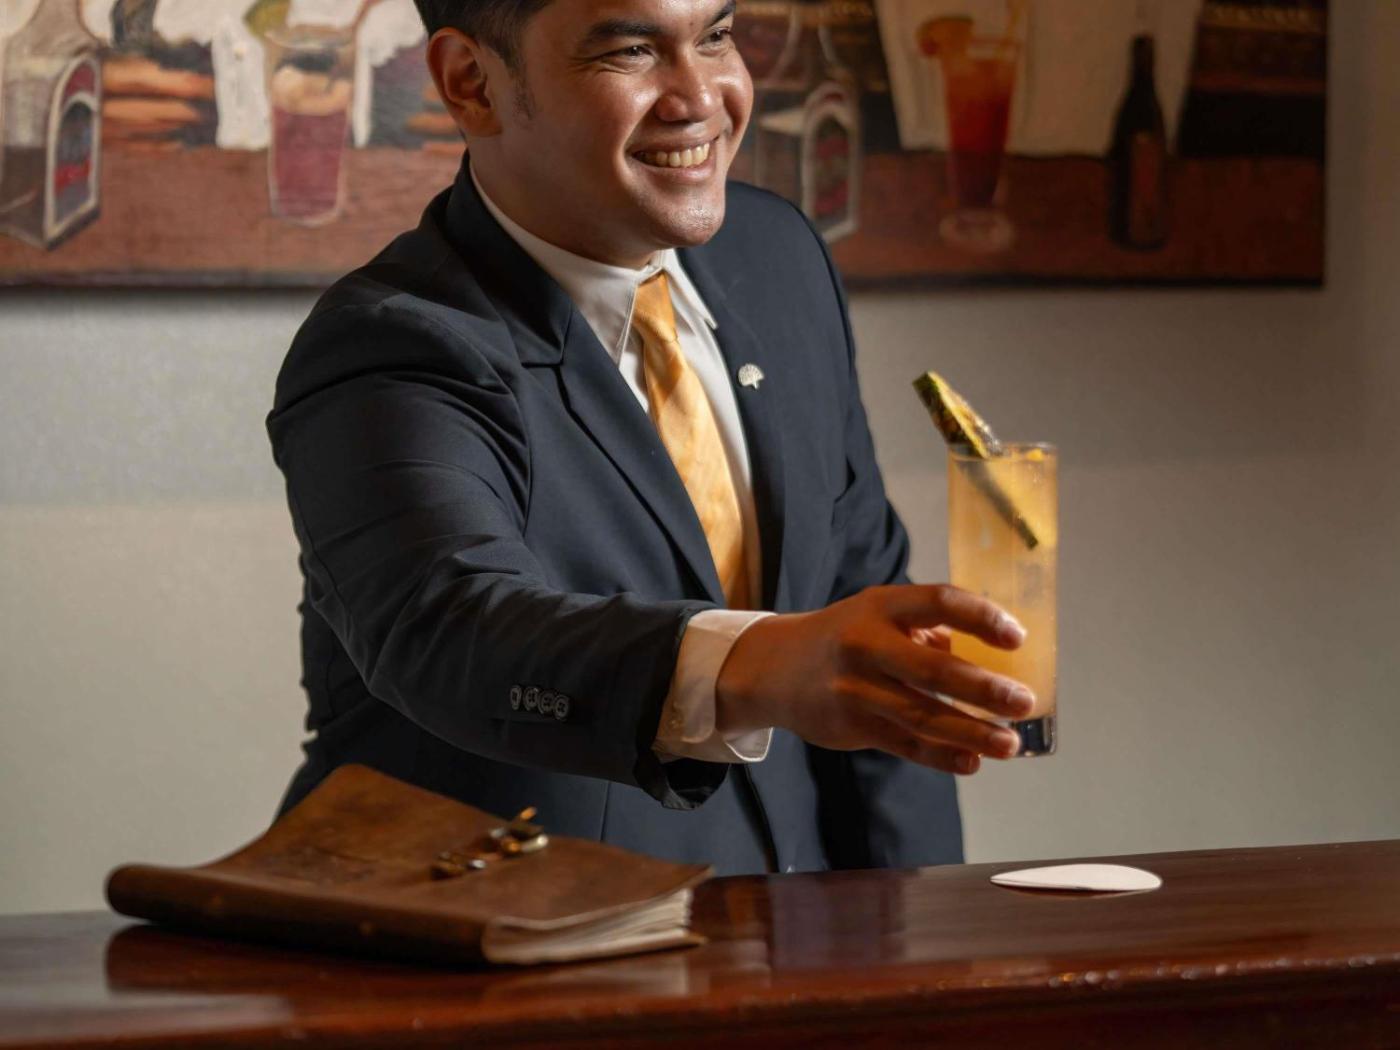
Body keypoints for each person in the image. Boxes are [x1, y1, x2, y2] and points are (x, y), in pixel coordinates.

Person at [266, 0, 1037, 876]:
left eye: (716, 37)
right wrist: (756, 663)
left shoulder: (779, 255)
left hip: (801, 937)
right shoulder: (392, 340)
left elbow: (868, 631)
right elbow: (450, 628)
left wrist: (921, 920)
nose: (701, 98)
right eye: (631, 51)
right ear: (471, 83)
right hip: (505, 934)